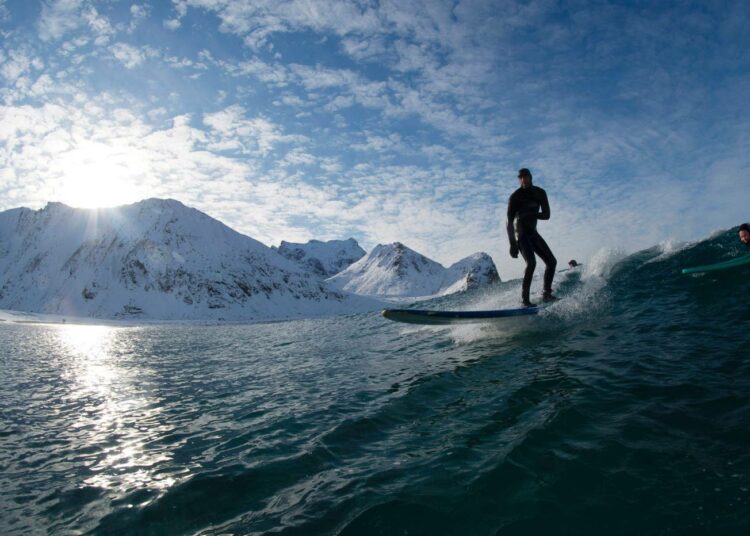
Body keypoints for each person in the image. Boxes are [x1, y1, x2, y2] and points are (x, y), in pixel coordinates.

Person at [506, 168, 557, 307]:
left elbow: (546, 215)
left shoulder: (540, 193)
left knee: (552, 262)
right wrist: (512, 244)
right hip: (520, 234)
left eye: (526, 176)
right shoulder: (515, 197)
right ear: (519, 179)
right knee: (532, 263)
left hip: (532, 233)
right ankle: (525, 300)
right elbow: (509, 221)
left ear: (530, 177)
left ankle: (547, 294)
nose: (523, 179)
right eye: (521, 177)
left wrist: (531, 214)